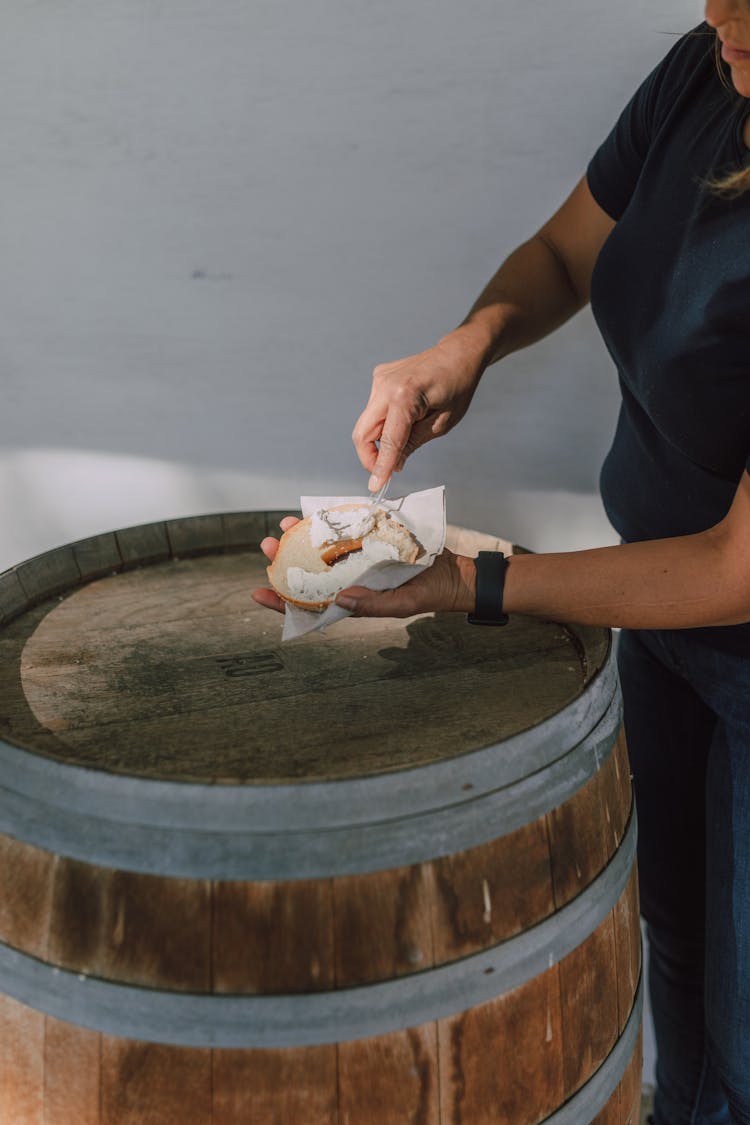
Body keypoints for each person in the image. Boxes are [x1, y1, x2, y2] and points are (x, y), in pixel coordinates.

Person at [253, 4, 750, 1121]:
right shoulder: (703, 79)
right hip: (666, 631)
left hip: (723, 613)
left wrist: (467, 583)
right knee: (676, 954)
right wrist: (462, 348)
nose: (720, 11)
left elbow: (735, 566)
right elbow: (573, 249)